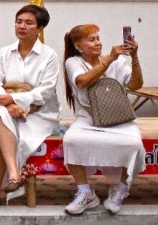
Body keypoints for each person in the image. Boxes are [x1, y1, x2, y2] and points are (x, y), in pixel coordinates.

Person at [0, 5, 60, 209]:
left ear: (39, 28)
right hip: (9, 112)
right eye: (18, 21)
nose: (22, 26)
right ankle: (14, 175)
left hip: (40, 116)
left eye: (28, 23)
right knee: (0, 114)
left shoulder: (49, 56)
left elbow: (45, 91)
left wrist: (13, 100)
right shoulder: (5, 53)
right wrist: (10, 103)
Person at [61, 24, 145, 215]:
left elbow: (136, 85)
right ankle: (85, 193)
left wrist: (134, 57)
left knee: (133, 144)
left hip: (118, 118)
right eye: (92, 39)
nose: (98, 43)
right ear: (79, 46)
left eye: (98, 38)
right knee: (71, 141)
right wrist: (109, 59)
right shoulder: (73, 62)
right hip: (88, 119)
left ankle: (120, 189)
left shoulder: (116, 61)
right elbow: (82, 81)